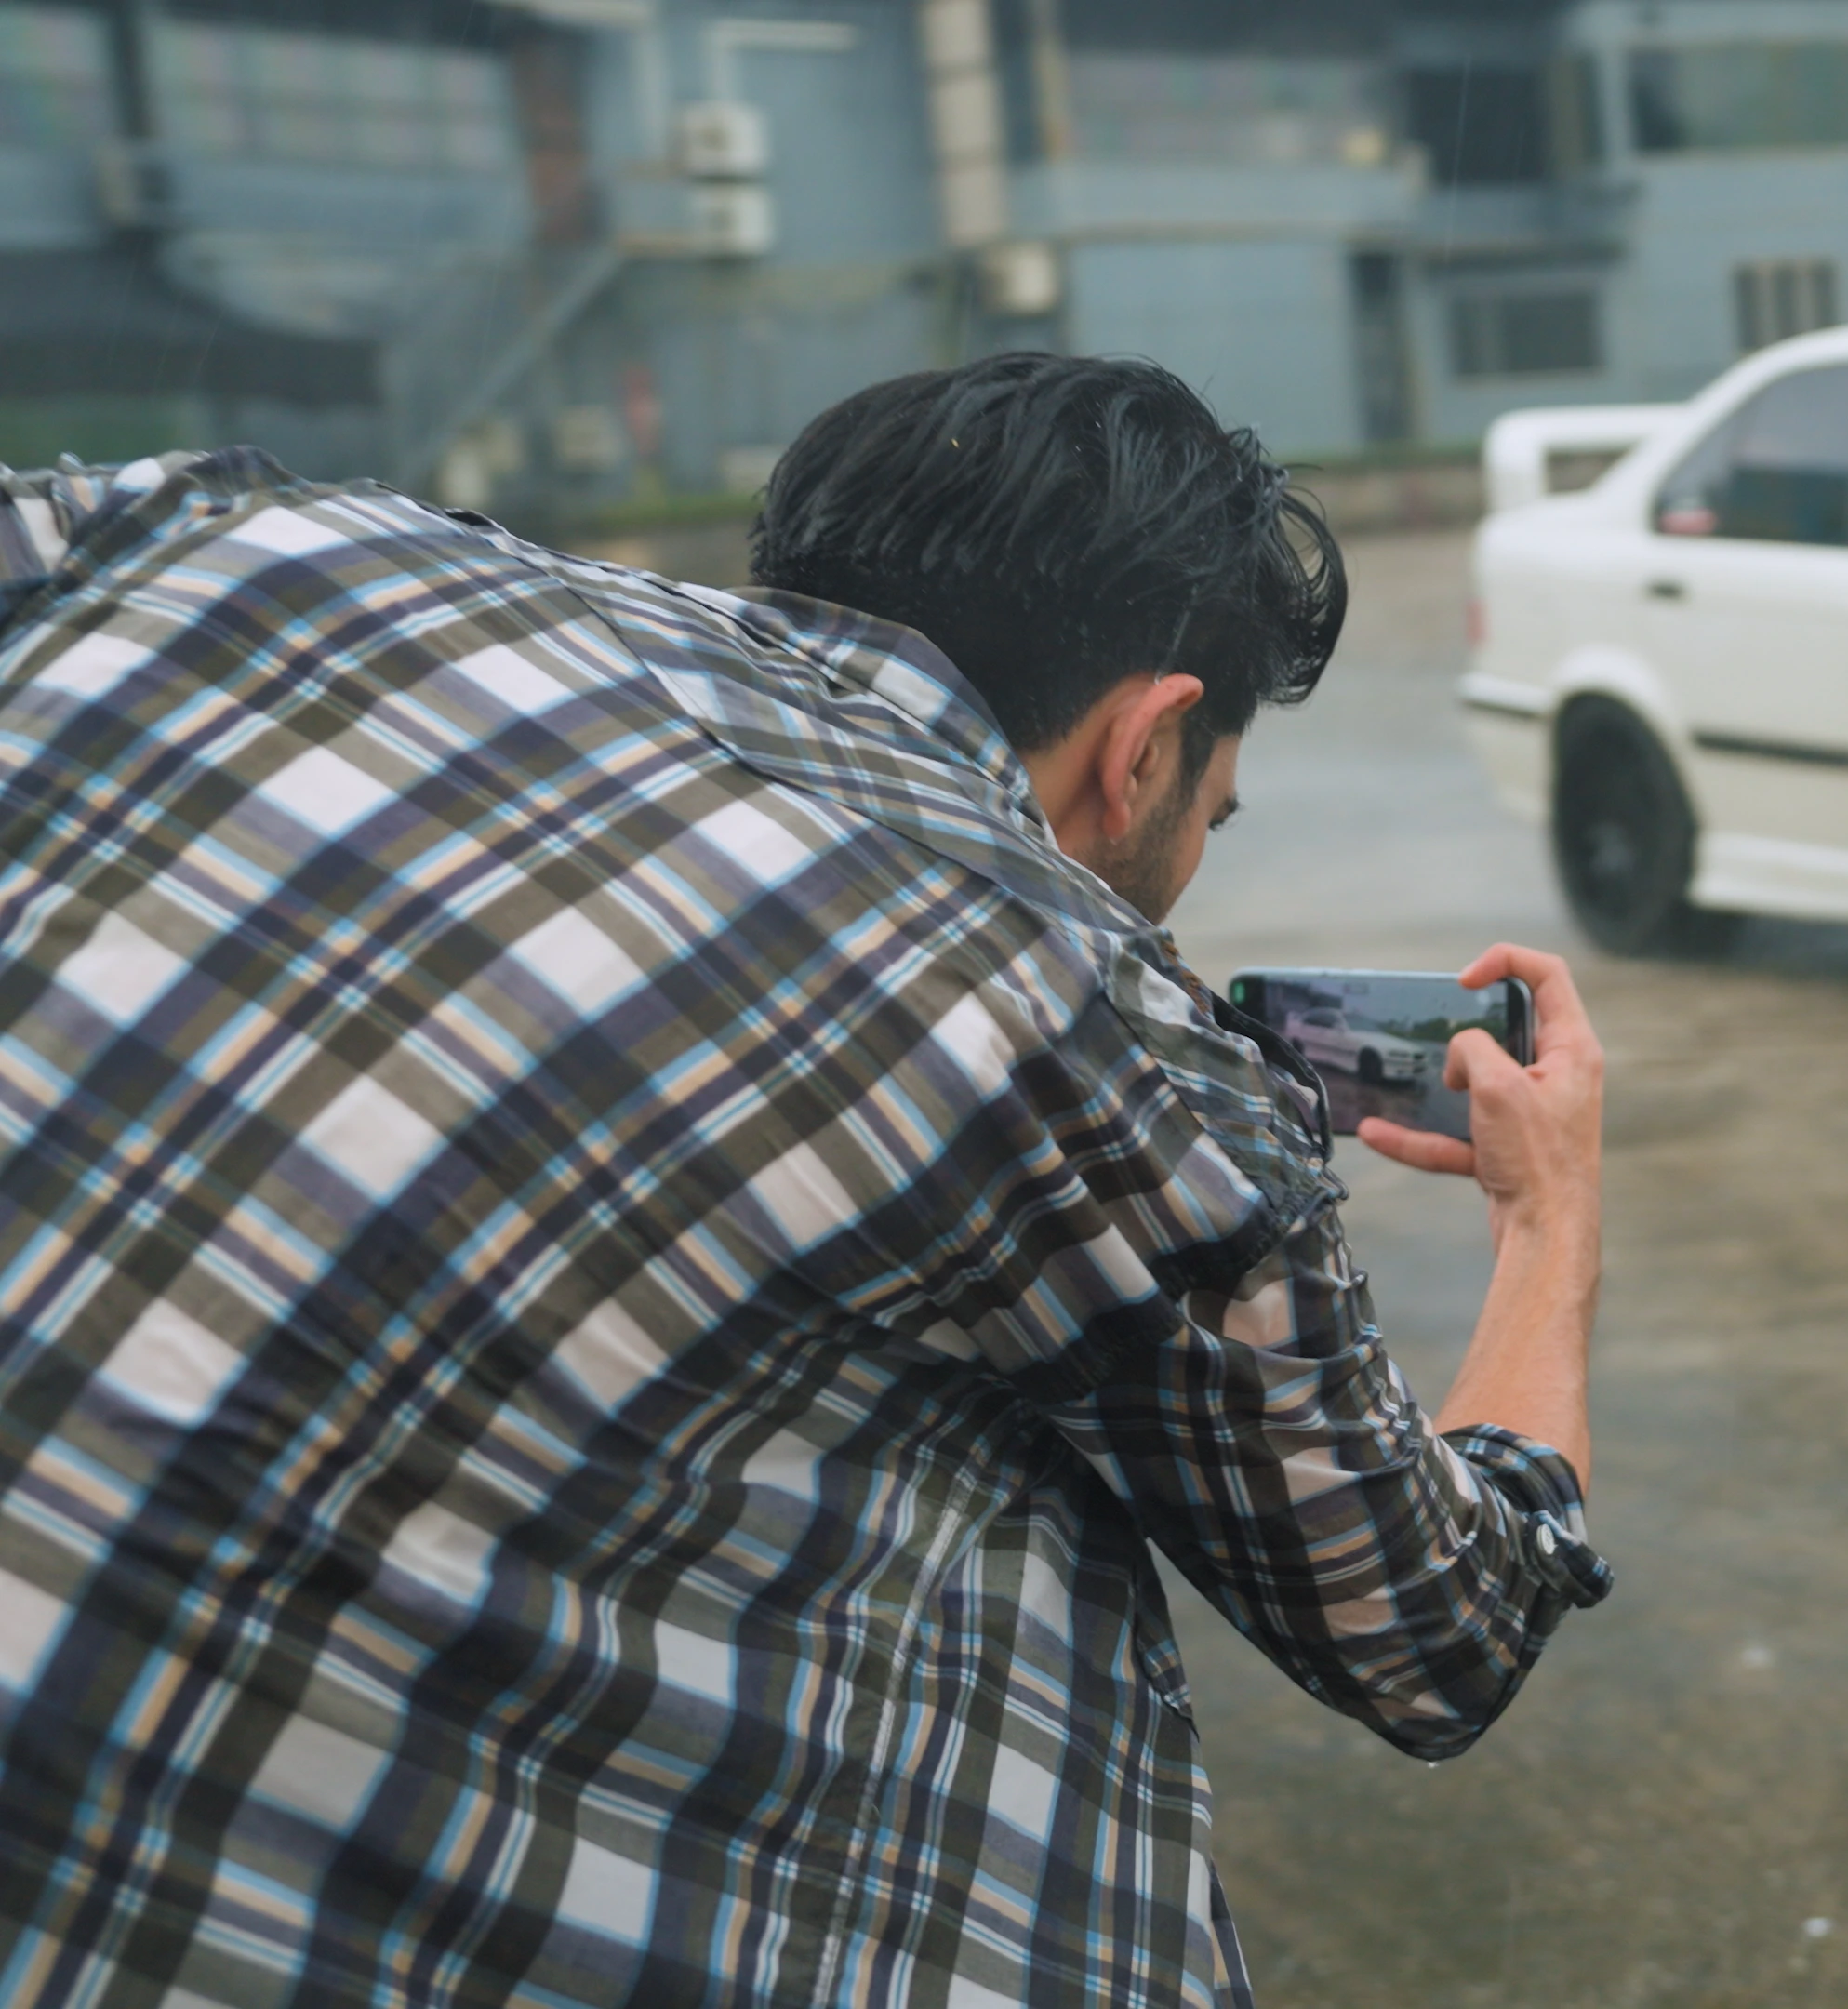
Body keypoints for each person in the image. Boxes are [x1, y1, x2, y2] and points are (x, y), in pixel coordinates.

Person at [0, 353, 1610, 2004]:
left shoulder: (278, 549)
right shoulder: (1070, 1014)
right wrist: (1547, 1208)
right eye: (1215, 813)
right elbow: (1439, 1634)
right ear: (1144, 747)